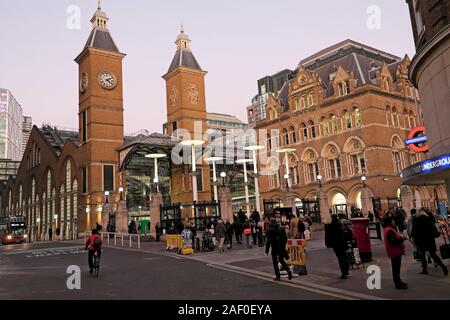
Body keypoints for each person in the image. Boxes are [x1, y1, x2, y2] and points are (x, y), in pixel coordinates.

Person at [411, 209, 448, 277]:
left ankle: (425, 269)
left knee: (422, 255)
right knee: (434, 255)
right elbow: (434, 232)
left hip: (421, 241)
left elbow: (414, 232)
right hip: (430, 241)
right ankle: (443, 267)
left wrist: (415, 240)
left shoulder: (416, 221)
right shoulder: (428, 220)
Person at [383, 214, 408, 289]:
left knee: (396, 268)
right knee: (396, 269)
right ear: (390, 222)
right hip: (394, 251)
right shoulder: (389, 230)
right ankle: (397, 283)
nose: (394, 221)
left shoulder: (389, 229)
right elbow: (393, 241)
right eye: (392, 220)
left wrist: (400, 237)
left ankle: (399, 281)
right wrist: (402, 238)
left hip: (395, 251)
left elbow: (394, 238)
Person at [328, 215, 351, 279]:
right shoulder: (340, 224)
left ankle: (343, 273)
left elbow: (330, 236)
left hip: (337, 245)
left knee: (340, 259)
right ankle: (347, 272)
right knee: (344, 257)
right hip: (343, 243)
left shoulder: (331, 226)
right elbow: (348, 232)